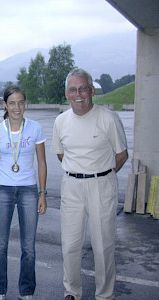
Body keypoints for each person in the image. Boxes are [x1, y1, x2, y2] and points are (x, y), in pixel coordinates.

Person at [51, 68, 128, 300]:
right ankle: (71, 291)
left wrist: (100, 174)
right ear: (67, 93)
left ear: (92, 90)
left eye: (83, 88)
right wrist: (80, 172)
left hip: (101, 186)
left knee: (103, 245)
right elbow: (61, 154)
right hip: (72, 187)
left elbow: (121, 154)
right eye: (73, 89)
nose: (79, 94)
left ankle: (104, 295)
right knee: (70, 244)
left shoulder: (108, 118)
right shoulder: (61, 121)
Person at [0, 85, 47, 300]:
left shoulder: (35, 128)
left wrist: (42, 193)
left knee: (28, 246)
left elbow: (41, 162)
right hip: (2, 189)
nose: (17, 107)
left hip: (28, 190)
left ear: (26, 104)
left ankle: (27, 290)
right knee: (0, 245)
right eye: (12, 103)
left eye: (21, 102)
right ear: (5, 105)